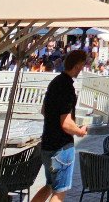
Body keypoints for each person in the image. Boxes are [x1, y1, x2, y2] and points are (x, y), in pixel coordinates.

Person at [32, 49, 89, 202]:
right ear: (77, 66)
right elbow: (65, 123)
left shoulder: (55, 82)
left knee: (49, 186)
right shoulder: (67, 88)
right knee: (60, 192)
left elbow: (45, 110)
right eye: (82, 66)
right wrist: (79, 131)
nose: (82, 69)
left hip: (47, 144)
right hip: (61, 147)